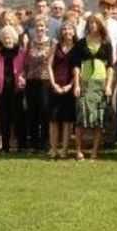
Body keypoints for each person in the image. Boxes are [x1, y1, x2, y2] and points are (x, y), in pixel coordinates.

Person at [74, 14, 114, 160]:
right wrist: (77, 84)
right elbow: (76, 66)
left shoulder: (106, 43)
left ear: (100, 25)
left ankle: (94, 152)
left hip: (100, 82)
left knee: (98, 118)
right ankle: (79, 150)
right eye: (90, 23)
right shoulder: (81, 43)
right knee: (81, 117)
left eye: (95, 23)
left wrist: (108, 85)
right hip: (85, 82)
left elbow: (110, 66)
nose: (92, 25)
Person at [0, 25, 26, 154]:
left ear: (14, 38)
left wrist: (23, 77)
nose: (7, 40)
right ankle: (5, 146)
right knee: (4, 119)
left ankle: (20, 145)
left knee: (18, 118)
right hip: (3, 90)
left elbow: (25, 68)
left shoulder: (21, 52)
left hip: (18, 89)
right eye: (5, 38)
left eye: (10, 37)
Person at [47, 21, 78, 159]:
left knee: (67, 120)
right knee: (53, 120)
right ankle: (53, 149)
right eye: (64, 29)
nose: (67, 31)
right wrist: (53, 84)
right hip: (55, 86)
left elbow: (78, 69)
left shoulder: (77, 48)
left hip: (69, 87)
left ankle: (64, 150)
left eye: (70, 29)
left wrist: (70, 85)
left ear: (74, 31)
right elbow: (49, 65)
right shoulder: (56, 45)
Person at [24, 16, 52, 152]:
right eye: (37, 26)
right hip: (31, 81)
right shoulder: (29, 43)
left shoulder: (52, 43)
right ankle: (33, 143)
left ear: (47, 28)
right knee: (32, 112)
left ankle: (45, 142)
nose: (40, 29)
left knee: (45, 111)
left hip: (45, 81)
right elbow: (25, 62)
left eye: (42, 26)